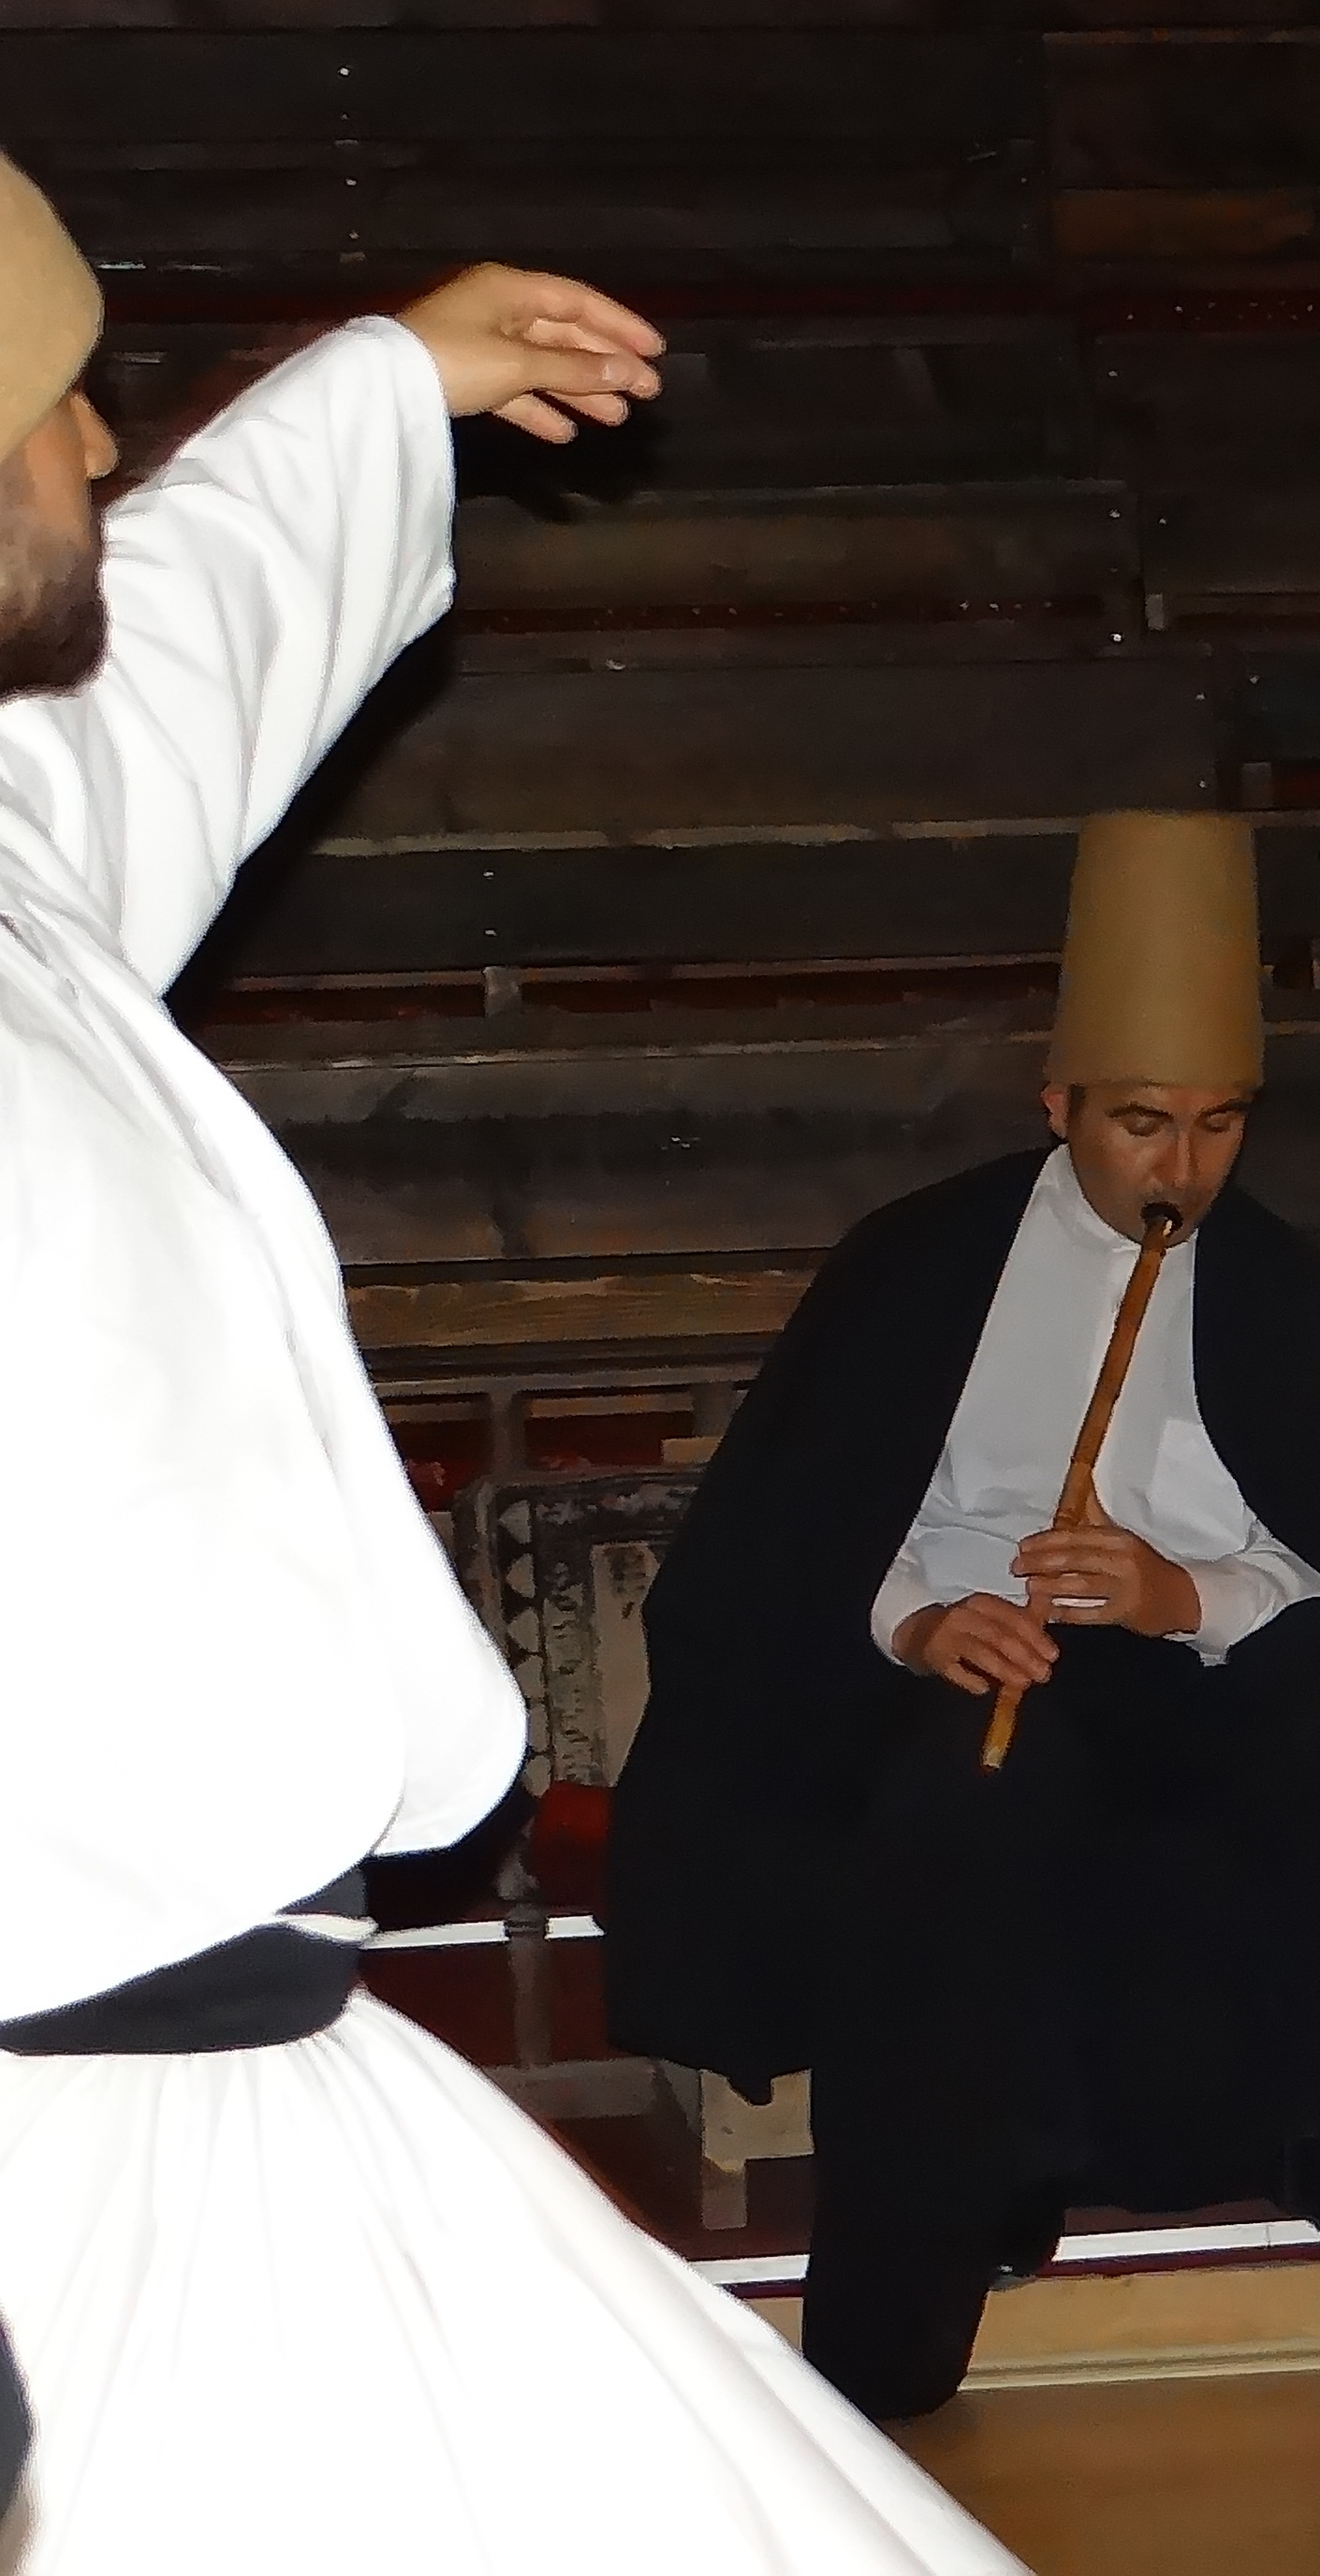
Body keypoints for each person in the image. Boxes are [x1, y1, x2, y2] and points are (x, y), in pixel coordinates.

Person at [0, 151, 1023, 2572]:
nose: (105, 454)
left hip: (264, 2116)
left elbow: (162, 682)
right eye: (53, 406)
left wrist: (384, 392)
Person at [605, 812, 1320, 2419]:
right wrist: (917, 1623)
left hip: (1214, 1662)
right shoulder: (917, 1266)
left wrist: (1188, 1593)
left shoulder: (1280, 1293)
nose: (1180, 1170)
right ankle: (888, 2349)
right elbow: (813, 1526)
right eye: (1140, 1126)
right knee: (969, 1795)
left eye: (1217, 1127)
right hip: (984, 1655)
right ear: (1058, 1108)